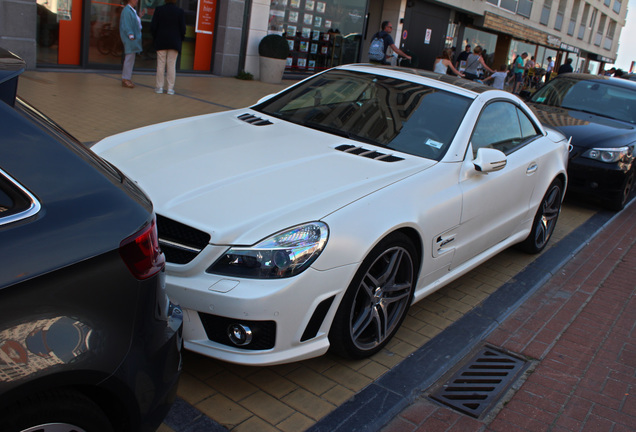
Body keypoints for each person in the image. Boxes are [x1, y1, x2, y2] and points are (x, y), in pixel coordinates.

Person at [151, 0, 186, 95]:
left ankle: (159, 87)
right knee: (171, 65)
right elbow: (183, 29)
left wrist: (155, 37)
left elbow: (153, 26)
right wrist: (180, 38)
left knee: (160, 64)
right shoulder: (180, 11)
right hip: (174, 42)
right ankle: (170, 88)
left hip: (161, 41)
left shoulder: (159, 10)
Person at [119, 0, 143, 88]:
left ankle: (127, 78)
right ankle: (125, 78)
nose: (137, 1)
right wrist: (130, 34)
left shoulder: (131, 10)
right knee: (129, 58)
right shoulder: (127, 10)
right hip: (130, 38)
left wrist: (139, 17)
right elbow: (126, 24)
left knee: (131, 58)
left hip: (133, 38)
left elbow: (134, 22)